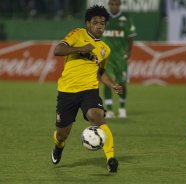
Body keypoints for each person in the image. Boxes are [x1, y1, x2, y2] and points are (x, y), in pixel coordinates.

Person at [51, 5, 122, 173]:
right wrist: (81, 49)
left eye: (103, 23)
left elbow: (100, 72)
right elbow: (57, 50)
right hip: (67, 91)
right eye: (95, 22)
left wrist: (112, 85)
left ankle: (111, 159)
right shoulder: (78, 34)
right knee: (62, 133)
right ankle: (58, 146)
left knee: (96, 117)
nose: (99, 26)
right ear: (88, 23)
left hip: (89, 90)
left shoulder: (105, 49)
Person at [101, 0, 137, 118]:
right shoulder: (103, 17)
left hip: (121, 57)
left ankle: (122, 108)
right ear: (109, 4)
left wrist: (129, 52)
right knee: (107, 81)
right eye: (112, 4)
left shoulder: (126, 18)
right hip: (107, 57)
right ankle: (110, 109)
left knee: (122, 82)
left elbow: (131, 36)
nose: (114, 6)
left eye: (117, 4)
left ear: (120, 5)